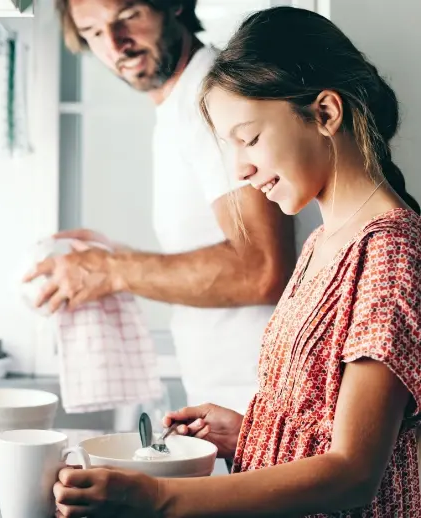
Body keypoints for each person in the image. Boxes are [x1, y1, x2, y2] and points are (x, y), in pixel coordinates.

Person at [52, 6, 421, 517]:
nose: (242, 169)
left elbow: (354, 473)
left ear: (325, 113)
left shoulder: (389, 251)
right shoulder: (324, 244)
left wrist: (159, 497)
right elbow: (327, 430)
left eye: (249, 139)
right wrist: (249, 433)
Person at [25, 0, 295, 415]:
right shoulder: (181, 103)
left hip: (269, 404)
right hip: (240, 408)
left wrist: (111, 270)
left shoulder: (211, 96)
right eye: (93, 33)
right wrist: (119, 259)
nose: (116, 45)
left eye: (127, 16)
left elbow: (261, 269)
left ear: (174, 5)